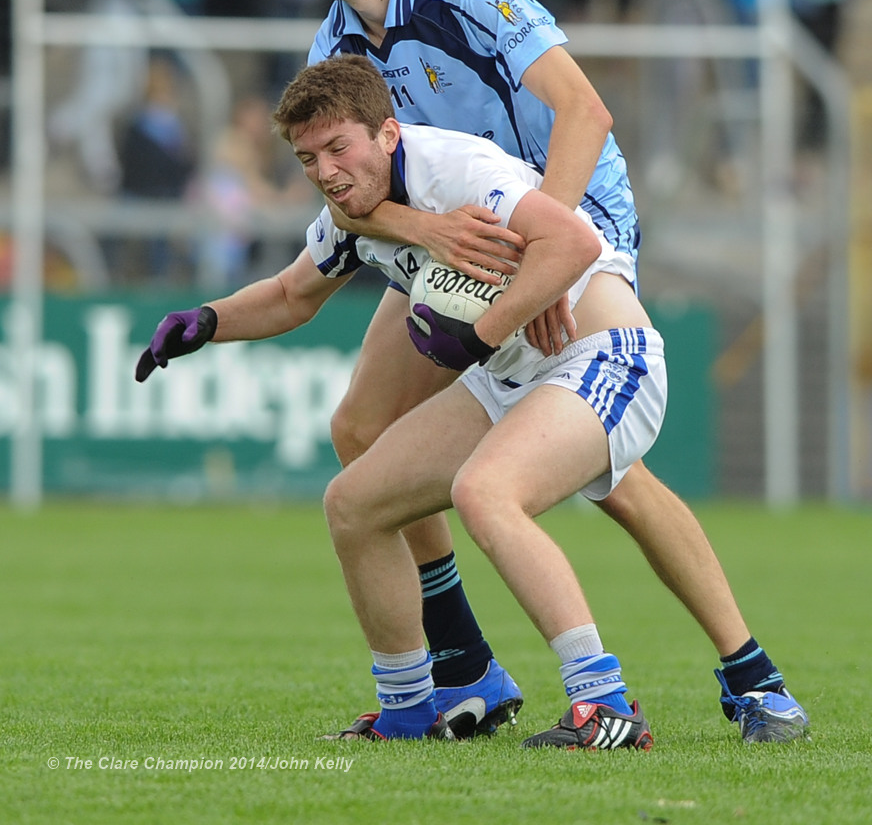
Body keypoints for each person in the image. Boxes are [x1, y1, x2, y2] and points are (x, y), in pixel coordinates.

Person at [280, 0, 809, 743]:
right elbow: (356, 201)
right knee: (361, 431)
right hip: (465, 244)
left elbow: (586, 111)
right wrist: (429, 233)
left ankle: (750, 675)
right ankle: (465, 671)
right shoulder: (331, 47)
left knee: (606, 474)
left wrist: (539, 262)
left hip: (570, 216)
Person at [136, 53, 666, 747]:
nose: (325, 170)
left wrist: (480, 333)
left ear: (387, 134)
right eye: (306, 158)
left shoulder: (451, 171)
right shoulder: (355, 211)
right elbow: (293, 294)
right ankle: (411, 710)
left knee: (486, 492)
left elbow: (573, 240)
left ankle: (607, 706)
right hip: (511, 376)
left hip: (606, 357)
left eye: (337, 147)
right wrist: (206, 320)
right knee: (353, 504)